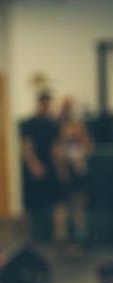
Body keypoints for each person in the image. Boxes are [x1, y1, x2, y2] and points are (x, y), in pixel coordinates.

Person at [52, 97, 94, 250]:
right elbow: (56, 150)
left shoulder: (78, 126)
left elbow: (88, 144)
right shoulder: (58, 127)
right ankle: (61, 237)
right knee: (62, 205)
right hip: (65, 171)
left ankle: (80, 237)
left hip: (78, 171)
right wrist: (62, 168)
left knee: (79, 204)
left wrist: (81, 156)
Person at [19, 91, 60, 242]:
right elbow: (27, 146)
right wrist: (33, 164)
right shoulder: (29, 123)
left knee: (56, 201)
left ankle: (58, 236)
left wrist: (59, 168)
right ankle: (27, 237)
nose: (46, 106)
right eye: (44, 102)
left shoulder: (52, 124)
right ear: (39, 103)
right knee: (30, 204)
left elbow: (55, 148)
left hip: (50, 166)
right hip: (34, 166)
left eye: (48, 103)